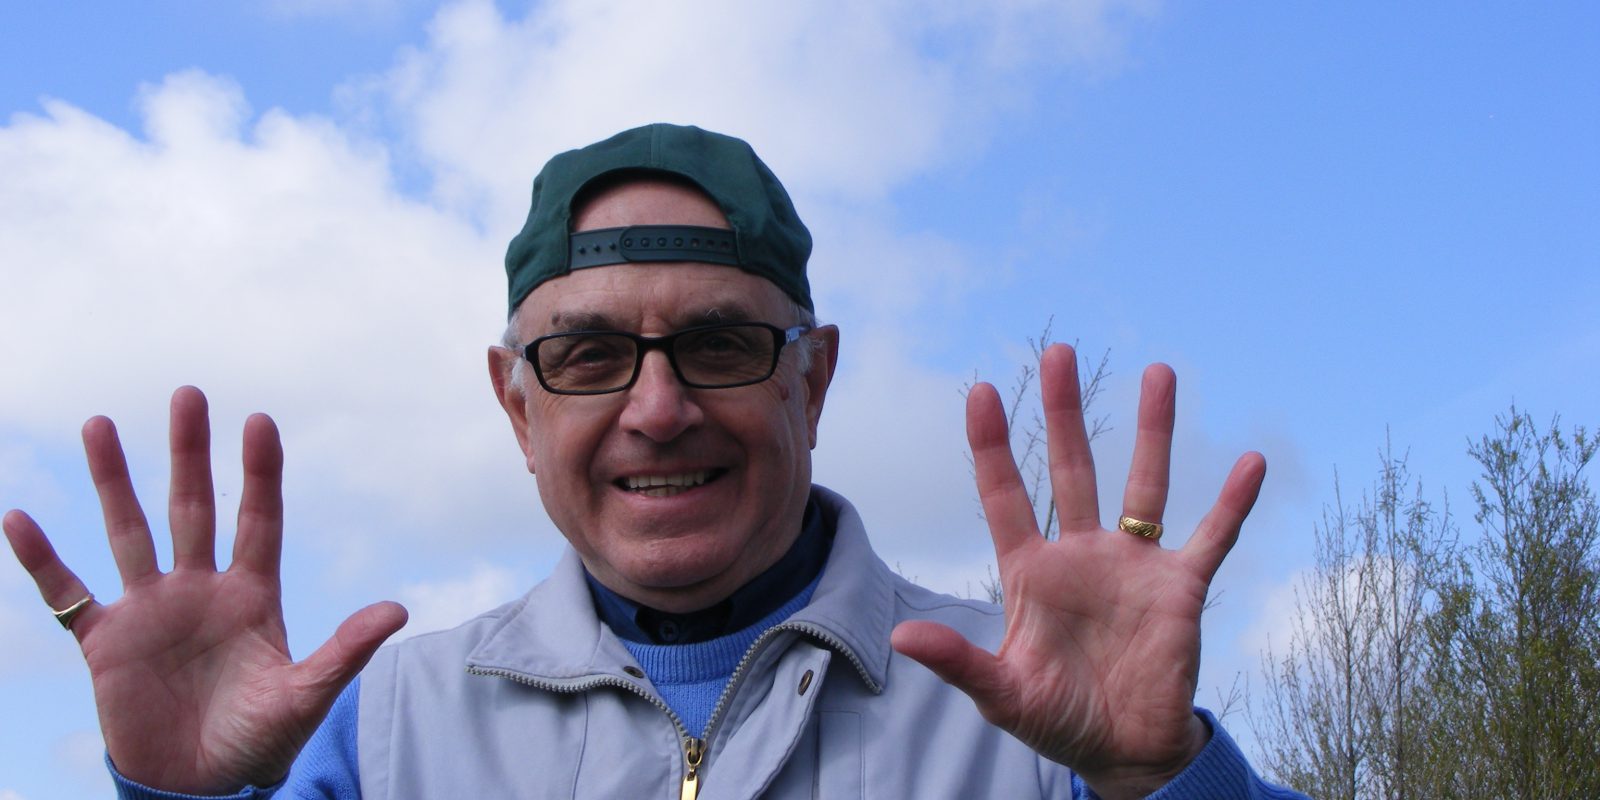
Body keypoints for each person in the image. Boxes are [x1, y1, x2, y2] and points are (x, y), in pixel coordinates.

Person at [4, 123, 1306, 798]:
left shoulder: (1036, 725)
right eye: (584, 359)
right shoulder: (385, 738)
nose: (660, 406)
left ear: (816, 378)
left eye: (722, 343)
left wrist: (1161, 783)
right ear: (517, 411)